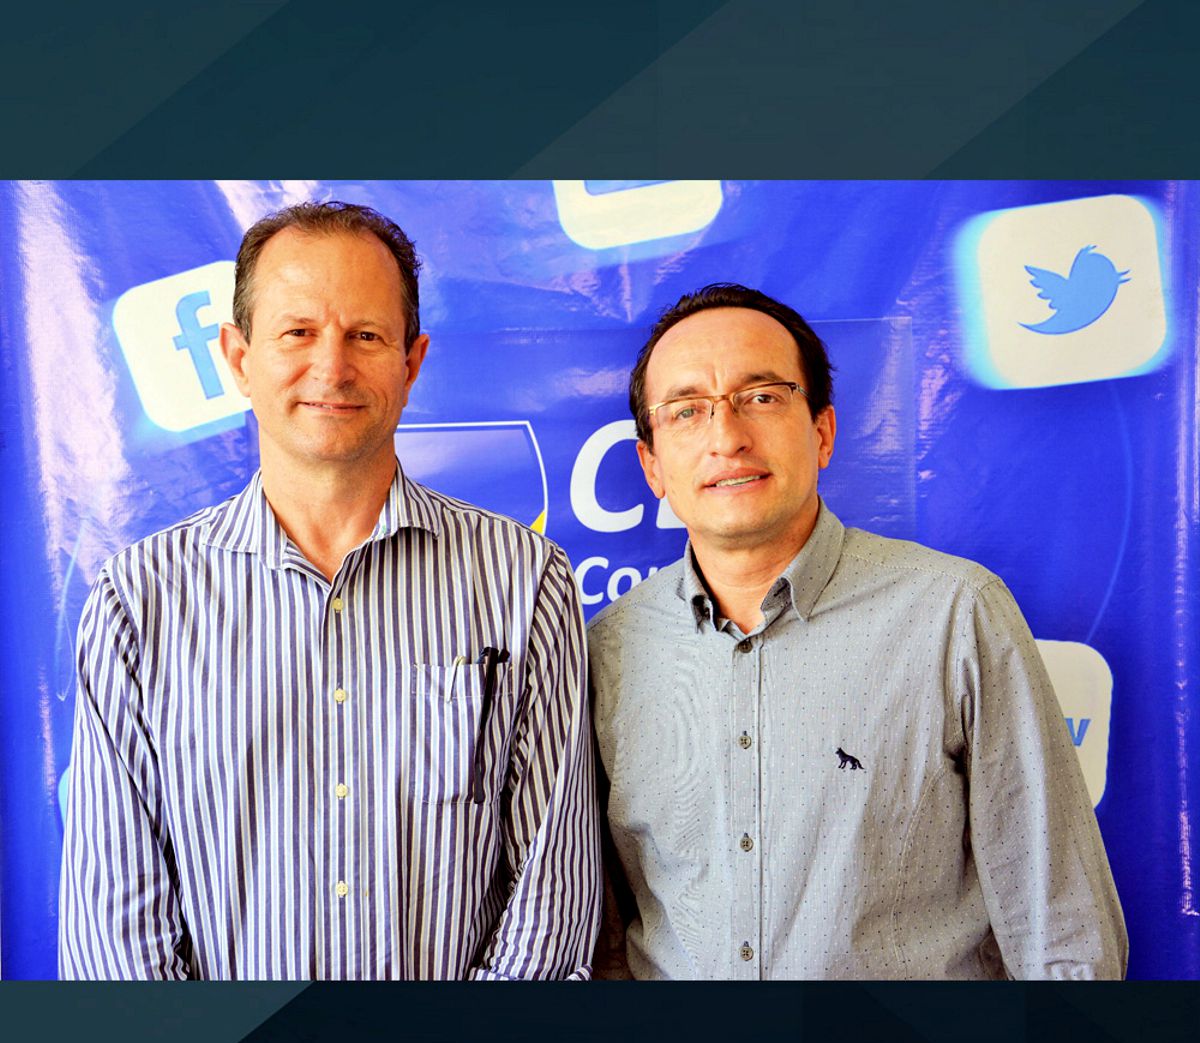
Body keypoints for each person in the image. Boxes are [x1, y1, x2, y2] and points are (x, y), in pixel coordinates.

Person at [59, 201, 600, 979]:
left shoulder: (523, 580)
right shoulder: (137, 603)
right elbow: (115, 939)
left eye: (366, 336)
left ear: (412, 363)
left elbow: (552, 904)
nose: (332, 367)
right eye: (297, 332)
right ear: (238, 358)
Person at [588, 283, 1127, 980]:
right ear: (652, 465)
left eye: (761, 396)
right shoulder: (607, 651)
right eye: (687, 410)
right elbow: (601, 935)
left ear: (822, 432)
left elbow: (1063, 929)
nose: (726, 437)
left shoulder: (953, 614)